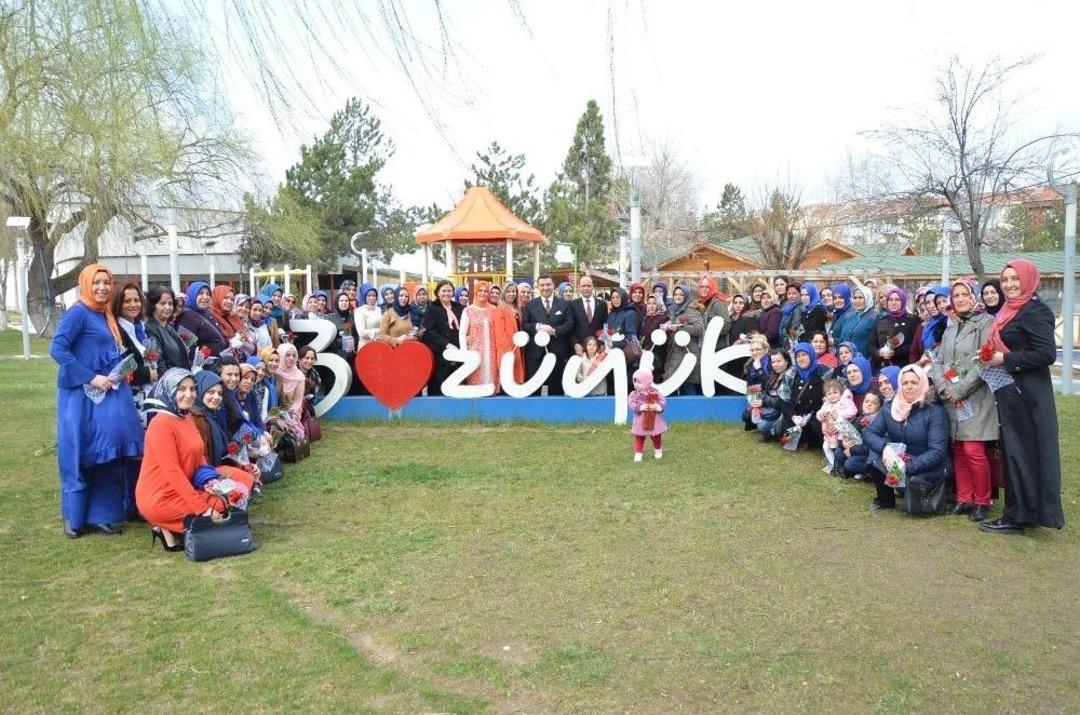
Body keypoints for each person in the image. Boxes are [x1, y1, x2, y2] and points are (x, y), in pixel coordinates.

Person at [49, 265, 145, 538]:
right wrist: (90, 377)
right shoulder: (78, 313)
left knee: (106, 452)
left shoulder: (106, 315)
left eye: (107, 283)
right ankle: (74, 516)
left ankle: (100, 515)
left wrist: (119, 371)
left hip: (107, 393)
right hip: (79, 395)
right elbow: (57, 349)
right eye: (97, 283)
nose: (102, 287)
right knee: (78, 451)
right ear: (86, 284)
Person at [978, 260, 1064, 534]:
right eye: (1005, 280)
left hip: (1029, 395)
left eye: (1015, 279)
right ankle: (1019, 512)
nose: (1009, 285)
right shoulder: (1008, 311)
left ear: (1028, 280)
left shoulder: (1035, 311)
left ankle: (1017, 517)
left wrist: (1005, 358)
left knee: (1024, 453)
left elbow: (1046, 354)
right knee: (1015, 454)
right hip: (1011, 392)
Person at [136, 369, 242, 550]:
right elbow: (173, 472)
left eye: (192, 389)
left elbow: (199, 455)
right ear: (169, 390)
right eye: (182, 389)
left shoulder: (186, 416)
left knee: (227, 497)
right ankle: (167, 525)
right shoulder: (160, 424)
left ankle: (172, 529)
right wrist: (203, 509)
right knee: (217, 508)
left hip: (184, 488)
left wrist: (211, 482)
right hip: (160, 498)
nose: (189, 395)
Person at [930, 277, 998, 523]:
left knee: (974, 450)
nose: (959, 299)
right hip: (950, 396)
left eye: (964, 294)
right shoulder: (950, 327)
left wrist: (960, 390)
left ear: (974, 297)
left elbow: (984, 361)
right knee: (958, 449)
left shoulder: (987, 323)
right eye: (955, 295)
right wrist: (943, 386)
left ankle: (982, 501)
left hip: (976, 397)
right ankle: (964, 498)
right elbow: (938, 361)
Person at [863, 364, 950, 512]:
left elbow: (937, 452)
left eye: (914, 383)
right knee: (874, 454)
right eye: (905, 383)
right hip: (899, 459)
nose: (909, 387)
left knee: (913, 489)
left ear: (922, 383)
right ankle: (885, 500)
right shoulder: (890, 407)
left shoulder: (935, 410)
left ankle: (915, 493)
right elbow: (869, 433)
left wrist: (907, 466)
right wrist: (886, 449)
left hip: (926, 464)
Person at [523, 276, 574, 395]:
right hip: (536, 354)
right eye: (542, 285)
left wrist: (554, 331)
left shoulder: (563, 304)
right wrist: (538, 327)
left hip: (557, 352)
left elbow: (569, 324)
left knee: (556, 389)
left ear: (553, 286)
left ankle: (557, 413)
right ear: (538, 287)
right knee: (534, 389)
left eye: (548, 284)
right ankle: (533, 413)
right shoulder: (531, 304)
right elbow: (525, 324)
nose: (545, 287)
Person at [777, 342, 829, 449]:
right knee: (786, 437)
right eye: (798, 356)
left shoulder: (824, 371)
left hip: (817, 415)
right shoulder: (790, 374)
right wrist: (793, 416)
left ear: (811, 355)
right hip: (797, 415)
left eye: (804, 355)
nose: (801, 358)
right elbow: (782, 400)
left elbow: (834, 393)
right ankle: (804, 440)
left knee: (816, 429)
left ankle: (808, 440)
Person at [421, 280, 465, 396]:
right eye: (444, 291)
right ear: (438, 293)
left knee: (457, 383)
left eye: (449, 291)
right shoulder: (432, 308)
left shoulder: (459, 307)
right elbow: (429, 332)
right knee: (439, 384)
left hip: (458, 352)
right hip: (440, 353)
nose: (447, 293)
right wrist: (447, 344)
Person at [663, 284, 704, 395]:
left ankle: (696, 412)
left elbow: (700, 329)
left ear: (686, 296)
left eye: (681, 295)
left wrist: (680, 327)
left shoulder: (691, 310)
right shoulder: (674, 310)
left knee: (688, 386)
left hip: (688, 353)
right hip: (676, 352)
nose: (678, 297)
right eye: (676, 294)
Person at [460, 281, 499, 390]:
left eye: (485, 291)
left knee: (491, 382)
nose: (483, 293)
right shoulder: (468, 310)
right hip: (475, 352)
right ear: (475, 292)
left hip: (492, 352)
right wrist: (464, 354)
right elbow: (462, 333)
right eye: (480, 291)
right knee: (476, 384)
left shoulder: (493, 309)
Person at [837, 391, 883, 481]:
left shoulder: (879, 422)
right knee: (838, 453)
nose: (869, 404)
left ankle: (871, 474)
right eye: (867, 401)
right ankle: (852, 472)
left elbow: (871, 446)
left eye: (873, 403)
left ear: (880, 407)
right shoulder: (860, 418)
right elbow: (849, 433)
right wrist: (844, 442)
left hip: (868, 453)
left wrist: (852, 450)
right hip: (856, 449)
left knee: (850, 463)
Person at [869, 286, 917, 371]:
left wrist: (895, 352)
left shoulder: (912, 320)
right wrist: (880, 352)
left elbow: (915, 345)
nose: (893, 302)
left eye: (897, 300)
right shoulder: (880, 320)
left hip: (903, 367)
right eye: (890, 300)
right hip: (882, 367)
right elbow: (871, 345)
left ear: (903, 301)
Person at [144, 286, 191, 371]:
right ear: (152, 305)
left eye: (170, 303)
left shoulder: (169, 327)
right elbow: (158, 363)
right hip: (169, 380)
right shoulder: (149, 329)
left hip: (182, 376)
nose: (168, 307)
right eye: (162, 303)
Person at [816, 378, 858, 475]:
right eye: (829, 394)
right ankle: (834, 464)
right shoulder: (826, 404)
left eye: (835, 392)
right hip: (830, 434)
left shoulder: (845, 402)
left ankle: (840, 465)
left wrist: (839, 414)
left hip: (842, 434)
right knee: (826, 447)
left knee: (839, 450)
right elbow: (819, 413)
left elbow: (853, 411)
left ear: (840, 392)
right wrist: (821, 416)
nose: (832, 396)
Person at [175, 281, 227, 355]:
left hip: (220, 359)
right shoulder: (186, 317)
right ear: (192, 295)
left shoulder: (206, 313)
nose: (205, 297)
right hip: (206, 364)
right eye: (200, 293)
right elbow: (187, 347)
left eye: (208, 294)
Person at [628, 368, 667, 461]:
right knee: (639, 436)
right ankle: (638, 452)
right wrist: (640, 407)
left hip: (654, 419)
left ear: (647, 382)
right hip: (640, 420)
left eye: (639, 382)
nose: (636, 384)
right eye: (635, 381)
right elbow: (631, 404)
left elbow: (662, 400)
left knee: (656, 436)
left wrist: (659, 406)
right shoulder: (634, 394)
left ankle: (658, 449)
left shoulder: (655, 392)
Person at [493, 281, 526, 387]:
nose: (511, 294)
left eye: (513, 291)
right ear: (503, 293)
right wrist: (509, 350)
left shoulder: (517, 308)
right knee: (509, 376)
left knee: (518, 376)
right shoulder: (500, 309)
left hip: (518, 347)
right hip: (508, 349)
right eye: (508, 291)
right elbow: (500, 333)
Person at [755, 349, 793, 441]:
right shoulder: (774, 374)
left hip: (783, 410)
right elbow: (765, 389)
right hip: (770, 407)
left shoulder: (790, 376)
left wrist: (764, 401)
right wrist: (758, 400)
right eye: (773, 362)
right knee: (748, 415)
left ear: (787, 361)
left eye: (779, 361)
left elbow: (783, 401)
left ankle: (773, 432)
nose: (776, 364)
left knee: (762, 425)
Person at [740, 335, 772, 431]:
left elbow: (769, 385)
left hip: (771, 398)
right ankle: (756, 421)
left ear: (766, 350)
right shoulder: (750, 365)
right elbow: (752, 388)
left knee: (762, 426)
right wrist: (753, 402)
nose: (755, 352)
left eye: (758, 349)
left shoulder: (772, 362)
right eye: (752, 350)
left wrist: (759, 369)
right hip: (758, 397)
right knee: (746, 416)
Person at [570, 275, 608, 351]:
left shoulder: (602, 304)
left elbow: (605, 325)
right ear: (579, 287)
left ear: (593, 287)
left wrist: (602, 343)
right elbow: (570, 327)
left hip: (598, 348)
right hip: (580, 349)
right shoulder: (572, 305)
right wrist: (575, 343)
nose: (586, 288)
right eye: (583, 286)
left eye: (588, 286)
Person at [604, 287, 641, 364]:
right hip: (610, 352)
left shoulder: (630, 313)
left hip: (623, 354)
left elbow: (631, 336)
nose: (615, 299)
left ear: (623, 298)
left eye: (618, 297)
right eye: (613, 297)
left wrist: (613, 344)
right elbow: (606, 329)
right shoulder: (612, 313)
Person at [840, 284, 878, 358]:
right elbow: (842, 339)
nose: (857, 301)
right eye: (855, 298)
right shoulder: (849, 316)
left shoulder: (875, 316)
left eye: (861, 298)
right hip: (846, 360)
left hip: (864, 360)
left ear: (867, 298)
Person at [693, 276, 731, 347]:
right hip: (704, 347)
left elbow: (727, 325)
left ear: (712, 288)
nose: (704, 289)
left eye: (707, 287)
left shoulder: (718, 304)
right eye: (702, 286)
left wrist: (709, 332)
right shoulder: (699, 304)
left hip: (717, 347)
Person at [641, 295, 668, 383]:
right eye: (649, 303)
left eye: (654, 303)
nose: (651, 306)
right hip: (645, 355)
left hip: (658, 356)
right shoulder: (646, 318)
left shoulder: (664, 318)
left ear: (659, 304)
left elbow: (664, 339)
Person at [276, 343, 306, 418]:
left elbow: (297, 401)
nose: (291, 358)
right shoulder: (274, 371)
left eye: (294, 355)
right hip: (271, 413)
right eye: (288, 355)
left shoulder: (299, 376)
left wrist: (288, 415)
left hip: (291, 414)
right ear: (281, 355)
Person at [327, 290, 359, 362]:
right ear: (337, 302)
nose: (344, 302)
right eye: (341, 301)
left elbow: (357, 334)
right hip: (335, 356)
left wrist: (353, 342)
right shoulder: (330, 317)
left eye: (346, 301)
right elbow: (327, 338)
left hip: (350, 356)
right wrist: (341, 343)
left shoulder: (353, 317)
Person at [354, 283, 383, 350]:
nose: (372, 298)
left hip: (379, 345)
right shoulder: (359, 311)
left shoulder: (379, 309)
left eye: (374, 295)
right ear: (364, 296)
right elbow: (361, 333)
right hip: (365, 346)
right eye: (369, 295)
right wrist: (381, 330)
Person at [777, 283, 803, 349]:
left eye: (794, 293)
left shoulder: (800, 308)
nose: (791, 296)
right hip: (785, 342)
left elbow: (794, 327)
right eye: (789, 294)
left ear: (800, 294)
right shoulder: (787, 307)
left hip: (795, 343)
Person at [828, 284, 854, 348]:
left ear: (847, 297)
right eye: (835, 298)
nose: (837, 300)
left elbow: (849, 338)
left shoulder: (851, 314)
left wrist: (834, 341)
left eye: (840, 297)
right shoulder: (837, 313)